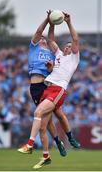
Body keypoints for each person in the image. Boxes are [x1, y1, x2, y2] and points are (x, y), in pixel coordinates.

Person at [18, 11, 80, 168]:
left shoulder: (73, 57)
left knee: (54, 114)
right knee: (44, 123)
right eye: (66, 45)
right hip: (45, 87)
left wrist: (68, 22)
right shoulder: (56, 54)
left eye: (70, 46)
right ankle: (52, 147)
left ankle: (68, 138)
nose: (68, 47)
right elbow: (50, 38)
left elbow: (75, 39)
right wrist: (52, 22)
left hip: (56, 88)